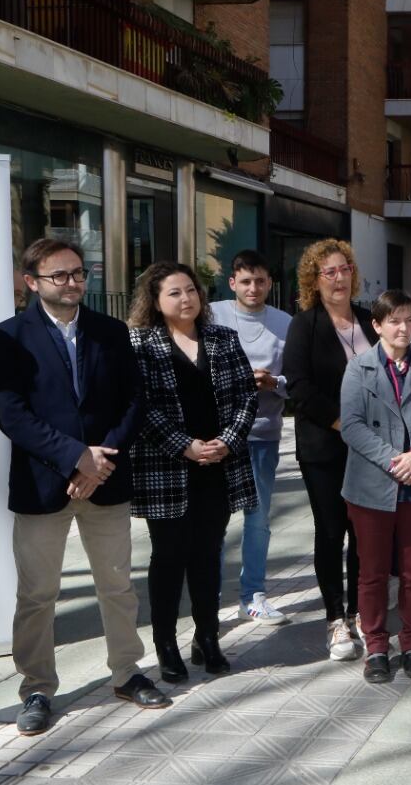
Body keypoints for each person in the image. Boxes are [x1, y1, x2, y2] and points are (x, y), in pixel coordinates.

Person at [0, 238, 171, 737]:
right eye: (59, 276)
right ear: (31, 282)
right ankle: (38, 688)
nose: (72, 283)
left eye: (78, 273)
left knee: (117, 585)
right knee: (38, 594)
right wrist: (74, 457)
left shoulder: (112, 332)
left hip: (105, 481)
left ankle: (128, 672)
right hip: (43, 485)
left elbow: (134, 400)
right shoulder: (7, 337)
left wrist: (99, 459)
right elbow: (11, 414)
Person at [129, 263, 258, 682]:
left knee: (207, 555)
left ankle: (207, 638)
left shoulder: (223, 338)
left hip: (219, 465)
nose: (185, 299)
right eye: (174, 293)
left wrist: (228, 440)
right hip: (166, 468)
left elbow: (245, 397)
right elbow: (139, 407)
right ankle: (166, 644)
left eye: (191, 291)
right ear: (155, 300)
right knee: (168, 558)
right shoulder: (139, 343)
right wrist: (184, 446)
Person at [341, 291, 411, 683]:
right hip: (372, 485)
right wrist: (396, 460)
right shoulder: (359, 369)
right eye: (393, 321)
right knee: (371, 572)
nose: (402, 328)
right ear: (377, 325)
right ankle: (375, 647)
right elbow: (351, 426)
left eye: (408, 320)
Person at [285, 239, 377, 662]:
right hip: (325, 445)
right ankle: (335, 619)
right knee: (331, 531)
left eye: (344, 270)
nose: (339, 278)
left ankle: (361, 612)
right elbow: (298, 386)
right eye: (329, 272)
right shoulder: (305, 324)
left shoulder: (369, 319)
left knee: (363, 532)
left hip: (371, 449)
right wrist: (341, 422)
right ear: (314, 280)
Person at [208, 250, 292, 625]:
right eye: (245, 281)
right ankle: (207, 599)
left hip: (261, 433)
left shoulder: (285, 323)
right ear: (232, 283)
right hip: (216, 435)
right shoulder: (211, 314)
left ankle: (252, 595)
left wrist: (273, 382)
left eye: (260, 281)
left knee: (257, 518)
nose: (253, 288)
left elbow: (297, 383)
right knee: (213, 519)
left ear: (269, 283)